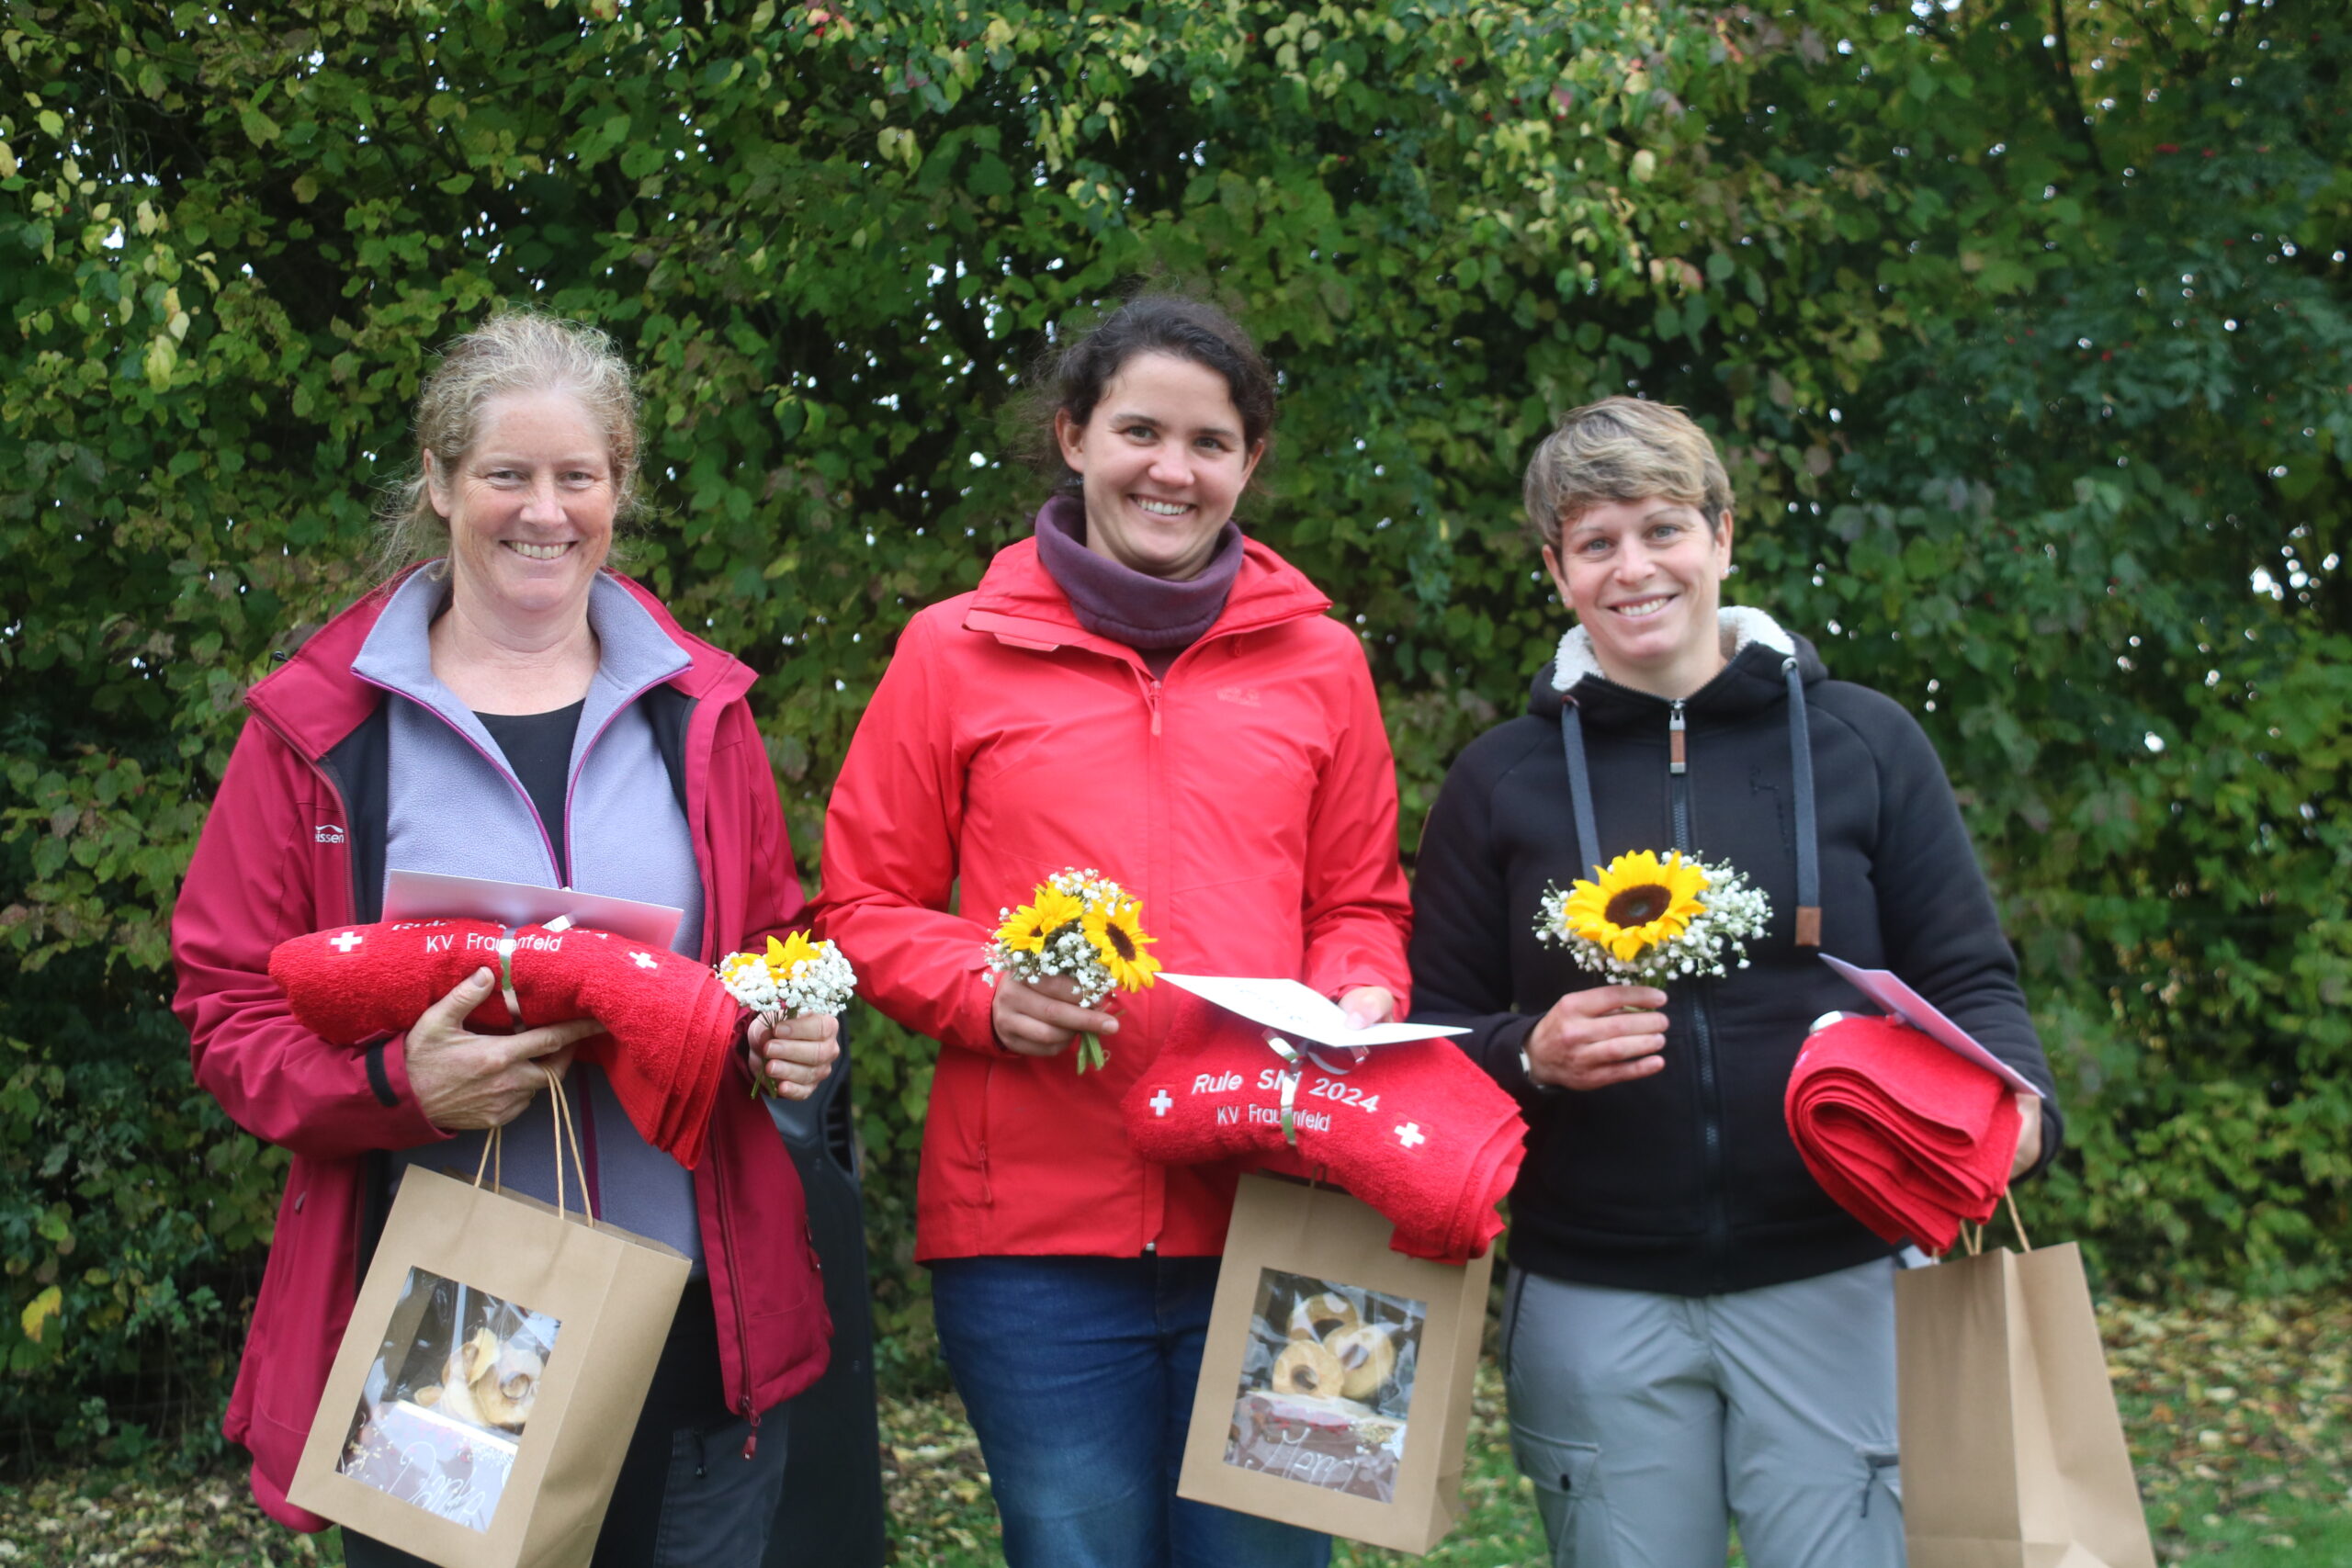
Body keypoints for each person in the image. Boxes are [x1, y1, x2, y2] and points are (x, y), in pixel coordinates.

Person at [171, 312, 839, 1566]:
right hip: (441, 1320)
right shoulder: (320, 728)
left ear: (619, 488)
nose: (545, 510)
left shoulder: (700, 711)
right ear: (437, 481)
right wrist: (393, 1082)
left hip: (692, 1313)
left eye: (577, 475)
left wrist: (793, 1027)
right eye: (507, 474)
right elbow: (225, 1006)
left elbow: (774, 944)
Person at [1408, 397, 2064, 1568]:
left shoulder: (1862, 740)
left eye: (1661, 527)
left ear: (1721, 536)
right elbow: (1432, 1037)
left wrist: (2021, 1112)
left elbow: (1968, 976)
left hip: (1843, 1272)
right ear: (1556, 570)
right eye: (1594, 542)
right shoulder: (1496, 782)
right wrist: (1526, 1054)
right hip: (1593, 1290)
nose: (1633, 566)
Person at [812, 294, 1414, 1568]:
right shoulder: (949, 652)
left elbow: (1359, 900)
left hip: (1282, 1212)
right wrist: (981, 986)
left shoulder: (1323, 664)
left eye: (1210, 442)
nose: (1172, 468)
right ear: (1075, 435)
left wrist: (1355, 987)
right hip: (1032, 1243)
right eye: (1141, 429)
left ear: (1249, 462)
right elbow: (862, 906)